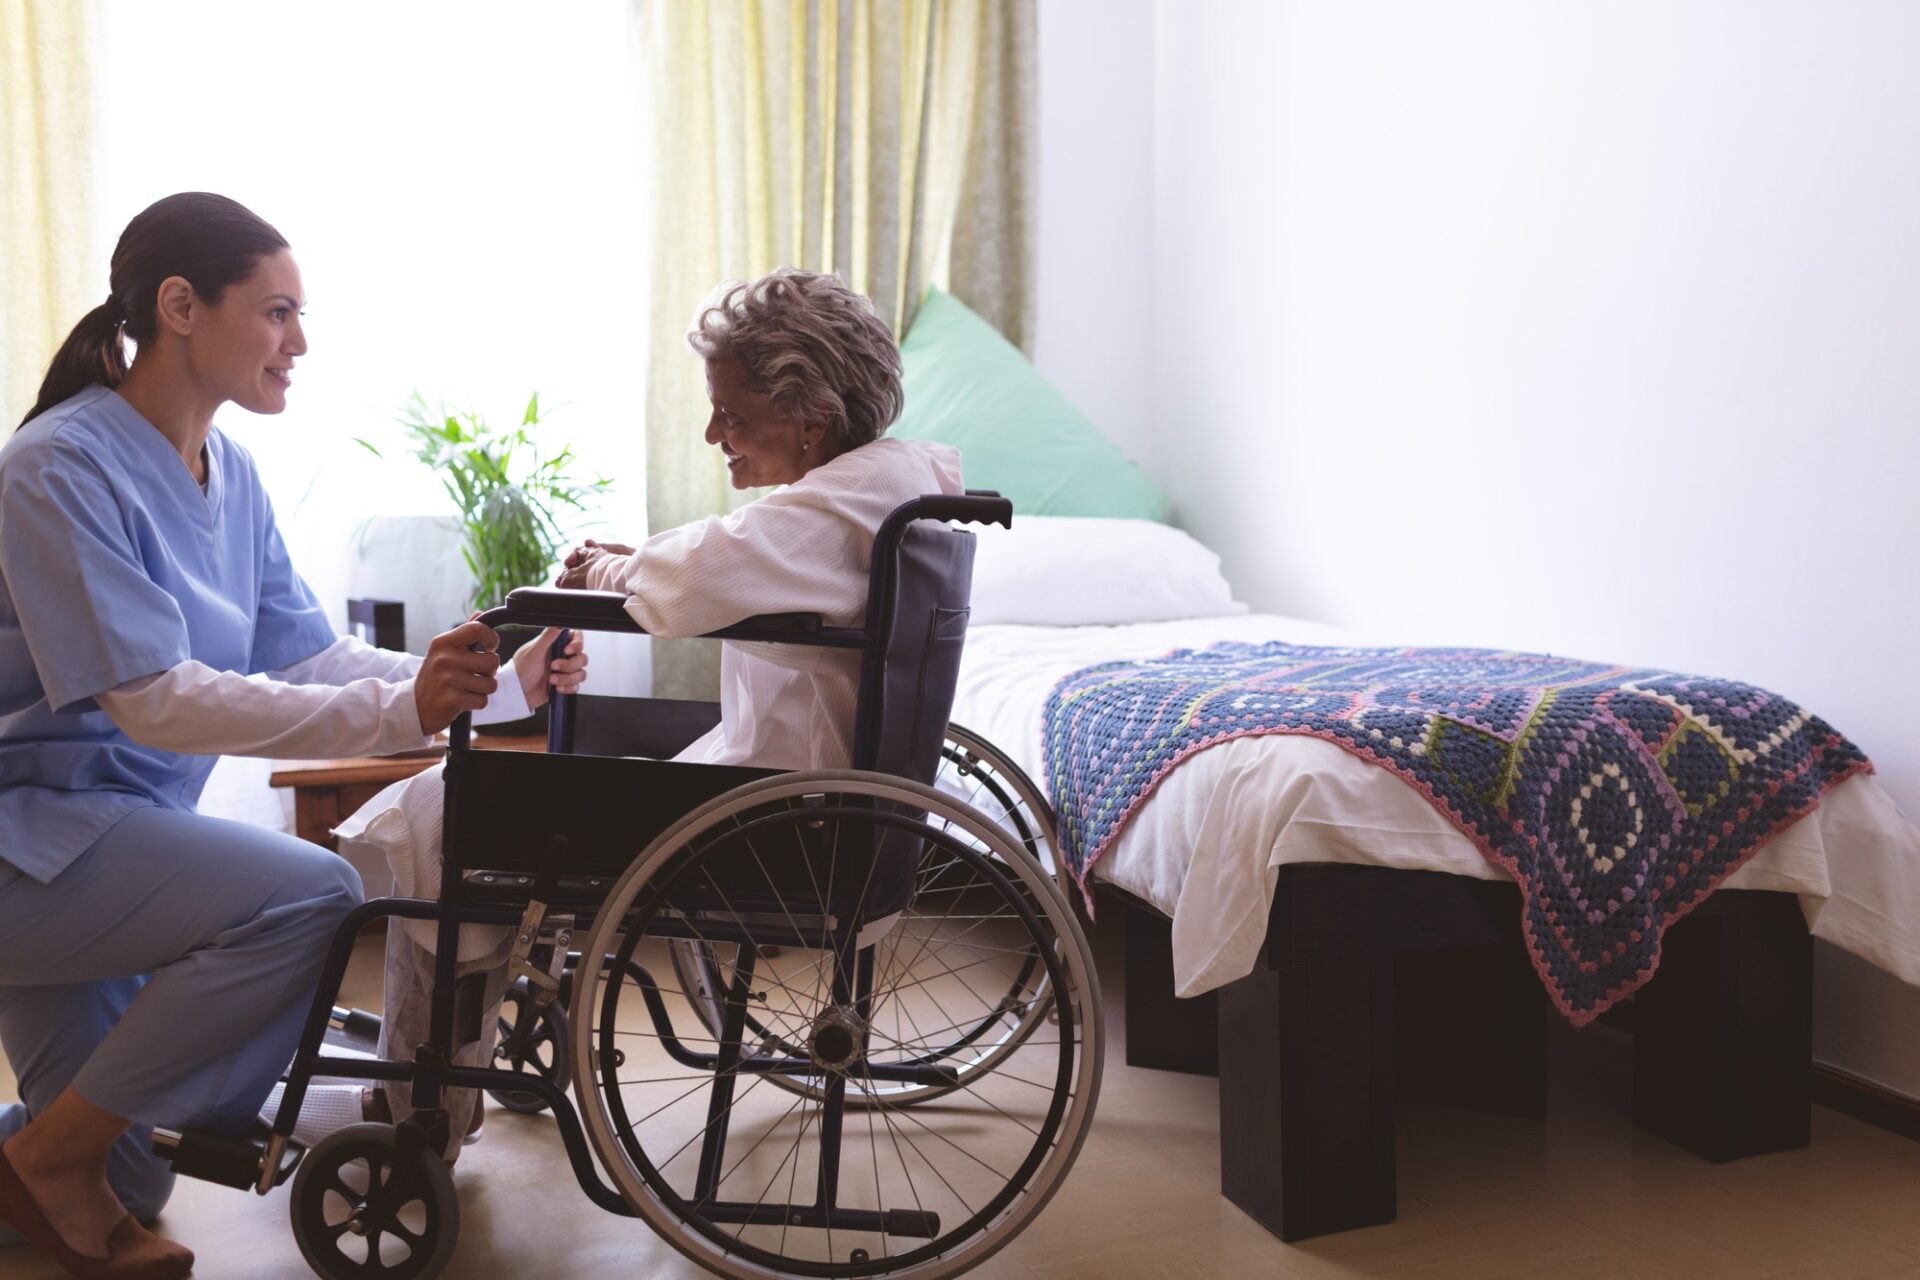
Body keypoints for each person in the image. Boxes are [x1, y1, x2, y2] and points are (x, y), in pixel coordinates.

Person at [0, 192, 584, 1280]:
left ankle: (50, 1155)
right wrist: (404, 708)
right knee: (309, 897)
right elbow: (155, 700)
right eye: (277, 312)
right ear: (181, 306)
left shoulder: (231, 474)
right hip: (28, 846)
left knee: (132, 1178)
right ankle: (51, 1155)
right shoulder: (58, 466)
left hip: (110, 838)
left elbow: (306, 656)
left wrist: (491, 687)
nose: (299, 342)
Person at [334, 267, 963, 1153]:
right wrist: (634, 561)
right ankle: (449, 1053)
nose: (713, 435)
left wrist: (602, 574)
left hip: (766, 824)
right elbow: (740, 559)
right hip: (804, 802)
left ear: (809, 417)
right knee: (467, 804)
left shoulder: (832, 509)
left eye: (732, 414)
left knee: (446, 808)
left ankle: (419, 1104)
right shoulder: (881, 487)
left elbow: (709, 569)